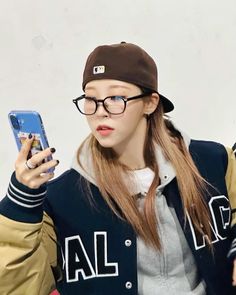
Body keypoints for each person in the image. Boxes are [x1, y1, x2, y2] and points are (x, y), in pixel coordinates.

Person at [0, 42, 235, 295]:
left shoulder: (214, 162)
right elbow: (18, 285)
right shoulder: (61, 199)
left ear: (150, 103)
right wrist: (21, 203)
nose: (100, 112)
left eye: (116, 97)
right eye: (91, 99)